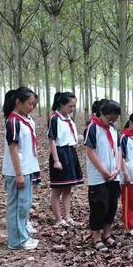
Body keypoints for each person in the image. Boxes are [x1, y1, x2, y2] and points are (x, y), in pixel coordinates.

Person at [2, 87, 40, 250]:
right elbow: (13, 149)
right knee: (17, 205)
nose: (31, 107)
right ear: (18, 102)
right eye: (29, 104)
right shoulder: (13, 121)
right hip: (18, 170)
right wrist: (19, 174)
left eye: (34, 104)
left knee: (24, 204)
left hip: (28, 168)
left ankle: (23, 234)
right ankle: (16, 241)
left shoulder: (26, 119)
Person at [84, 100, 122, 251]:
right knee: (99, 206)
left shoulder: (113, 129)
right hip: (98, 177)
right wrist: (103, 171)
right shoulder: (92, 128)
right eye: (109, 118)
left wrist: (118, 168)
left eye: (114, 118)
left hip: (114, 175)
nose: (111, 121)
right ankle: (96, 236)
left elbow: (119, 149)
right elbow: (90, 151)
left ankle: (107, 234)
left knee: (112, 205)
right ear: (102, 113)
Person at [48, 92, 83, 226]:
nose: (72, 109)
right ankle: (58, 219)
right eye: (70, 106)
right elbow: (52, 140)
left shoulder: (69, 119)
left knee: (68, 188)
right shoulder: (55, 119)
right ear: (62, 104)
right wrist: (56, 160)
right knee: (57, 189)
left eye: (74, 106)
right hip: (60, 153)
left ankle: (67, 217)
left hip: (70, 153)